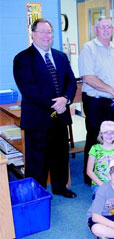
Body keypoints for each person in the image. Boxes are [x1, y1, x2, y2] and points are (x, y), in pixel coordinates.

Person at [13, 18, 77, 198]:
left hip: (61, 116)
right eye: (42, 32)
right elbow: (28, 88)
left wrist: (66, 99)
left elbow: (71, 81)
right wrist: (56, 104)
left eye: (49, 32)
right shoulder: (23, 58)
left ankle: (60, 187)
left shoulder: (60, 56)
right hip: (38, 119)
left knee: (60, 156)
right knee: (37, 161)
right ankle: (37, 193)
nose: (46, 36)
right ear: (33, 34)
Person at [79, 16, 114, 185]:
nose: (106, 30)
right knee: (96, 137)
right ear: (96, 30)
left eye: (109, 27)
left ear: (113, 30)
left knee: (113, 137)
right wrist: (111, 89)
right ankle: (91, 178)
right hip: (96, 101)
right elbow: (87, 77)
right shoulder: (88, 48)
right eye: (102, 27)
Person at [86, 121, 114, 194]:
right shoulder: (95, 149)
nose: (109, 135)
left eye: (112, 133)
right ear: (101, 134)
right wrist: (102, 184)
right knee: (107, 199)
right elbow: (89, 171)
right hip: (99, 184)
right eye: (105, 132)